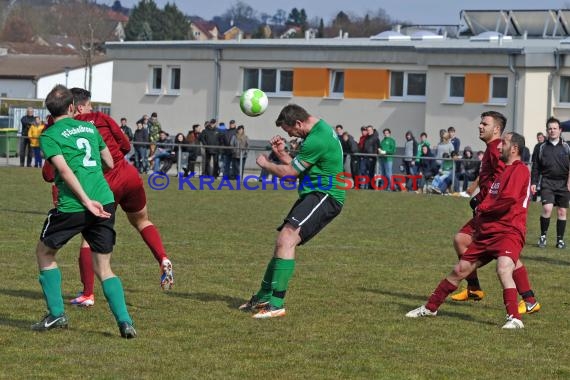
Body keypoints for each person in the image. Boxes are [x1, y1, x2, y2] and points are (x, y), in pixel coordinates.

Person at [43, 88, 174, 307]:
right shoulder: (101, 118)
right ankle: (162, 257)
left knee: (88, 237)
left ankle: (88, 294)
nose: (91, 109)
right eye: (89, 105)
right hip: (128, 175)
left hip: (102, 185)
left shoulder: (61, 127)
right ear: (76, 105)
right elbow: (125, 145)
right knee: (142, 221)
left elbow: (49, 173)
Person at [32, 84, 136, 338]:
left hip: (75, 205)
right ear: (71, 107)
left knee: (45, 252)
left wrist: (86, 200)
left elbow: (64, 171)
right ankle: (125, 322)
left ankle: (56, 314)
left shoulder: (49, 135)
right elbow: (110, 161)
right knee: (104, 268)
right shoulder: (90, 128)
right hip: (105, 200)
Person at [406, 132, 533, 329]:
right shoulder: (501, 173)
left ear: (514, 148)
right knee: (460, 270)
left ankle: (515, 318)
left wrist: (484, 208)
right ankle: (430, 307)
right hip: (488, 232)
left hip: (508, 231)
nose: (499, 147)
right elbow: (491, 198)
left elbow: (508, 200)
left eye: (504, 144)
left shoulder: (520, 170)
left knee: (504, 268)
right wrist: (481, 207)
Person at [239, 104, 345, 319]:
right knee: (282, 242)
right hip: (315, 193)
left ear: (298, 123)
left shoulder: (317, 138)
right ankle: (263, 297)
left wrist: (266, 164)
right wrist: (281, 153)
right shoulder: (318, 130)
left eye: (290, 131)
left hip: (325, 195)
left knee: (286, 240)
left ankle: (276, 303)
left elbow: (289, 174)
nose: (290, 135)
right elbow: (300, 167)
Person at [450, 111, 539, 316]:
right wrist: (475, 191)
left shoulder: (496, 150)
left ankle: (475, 289)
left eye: (484, 124)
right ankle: (529, 299)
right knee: (505, 254)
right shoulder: (492, 148)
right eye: (480, 123)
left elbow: (503, 178)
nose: (480, 126)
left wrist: (487, 202)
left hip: (494, 212)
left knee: (463, 240)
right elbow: (488, 177)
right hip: (489, 209)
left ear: (496, 129)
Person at [532, 117, 570, 249]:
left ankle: (560, 240)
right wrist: (534, 182)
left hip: (563, 183)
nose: (552, 131)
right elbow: (535, 167)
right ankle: (543, 236)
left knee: (561, 212)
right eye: (550, 128)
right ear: (547, 131)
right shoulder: (541, 147)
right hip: (547, 182)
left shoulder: (567, 146)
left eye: (555, 128)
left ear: (560, 130)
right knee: (547, 208)